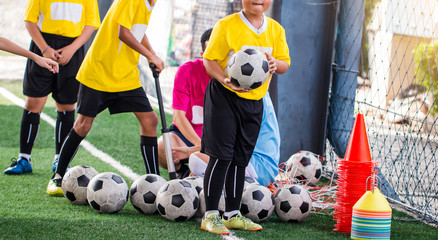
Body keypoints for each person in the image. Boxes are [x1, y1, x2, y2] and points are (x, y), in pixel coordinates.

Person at [46, 0, 164, 196]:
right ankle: (57, 177)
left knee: (150, 120)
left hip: (125, 75)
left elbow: (137, 31)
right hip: (99, 71)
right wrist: (149, 56)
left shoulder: (151, 3)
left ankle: (154, 182)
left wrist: (152, 54)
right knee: (83, 125)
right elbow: (123, 32)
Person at [200, 0, 290, 235]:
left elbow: (284, 64)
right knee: (221, 156)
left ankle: (231, 214)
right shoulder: (226, 25)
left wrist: (274, 64)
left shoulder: (276, 30)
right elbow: (209, 60)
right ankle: (210, 216)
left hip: (254, 102)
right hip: (224, 97)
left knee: (240, 159)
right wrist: (224, 79)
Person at [158, 29, 280, 189]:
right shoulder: (188, 71)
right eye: (212, 53)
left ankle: (210, 178)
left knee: (200, 160)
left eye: (222, 53)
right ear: (203, 56)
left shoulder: (239, 82)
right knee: (164, 146)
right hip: (198, 139)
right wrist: (200, 147)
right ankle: (184, 173)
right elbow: (178, 117)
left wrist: (198, 152)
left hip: (233, 150)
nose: (218, 59)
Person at [3, 0, 100, 175]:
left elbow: (91, 25)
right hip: (43, 46)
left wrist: (72, 49)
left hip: (73, 50)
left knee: (66, 106)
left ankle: (60, 160)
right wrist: (45, 49)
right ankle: (24, 158)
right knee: (33, 103)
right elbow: (30, 21)